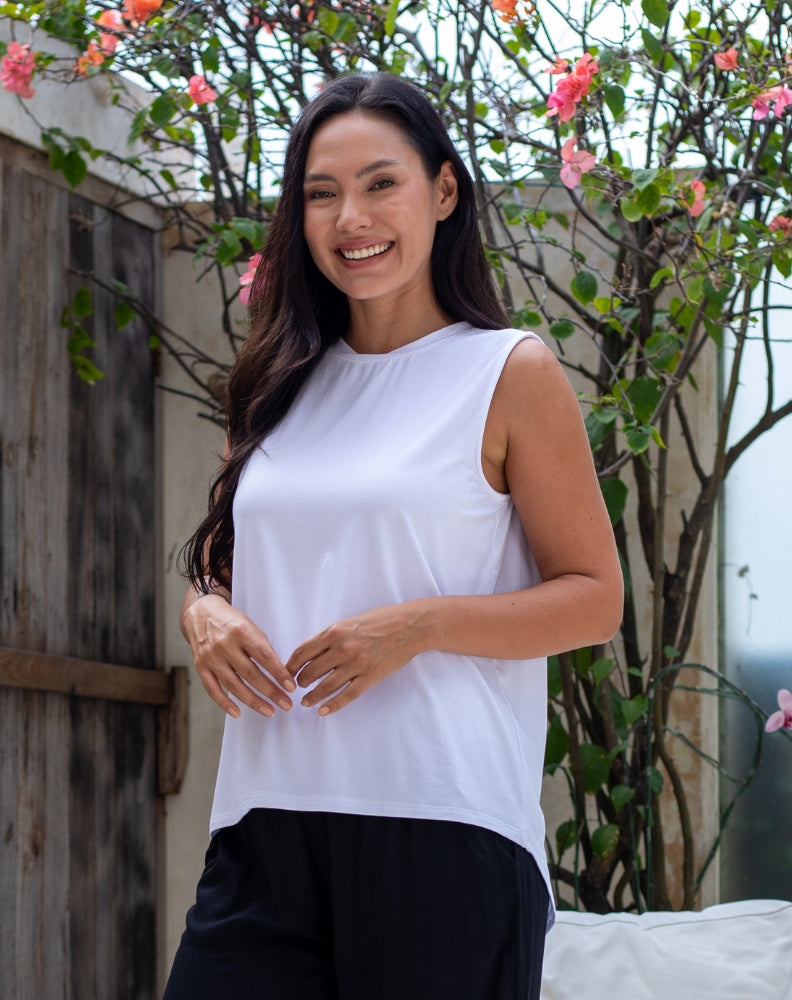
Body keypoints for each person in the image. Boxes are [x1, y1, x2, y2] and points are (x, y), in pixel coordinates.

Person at [164, 72, 623, 1000]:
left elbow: (594, 597)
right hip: (266, 819)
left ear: (443, 192)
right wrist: (203, 614)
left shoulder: (507, 371)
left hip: (445, 827)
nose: (350, 218)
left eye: (381, 184)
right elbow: (227, 562)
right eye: (321, 193)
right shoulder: (272, 384)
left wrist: (414, 626)